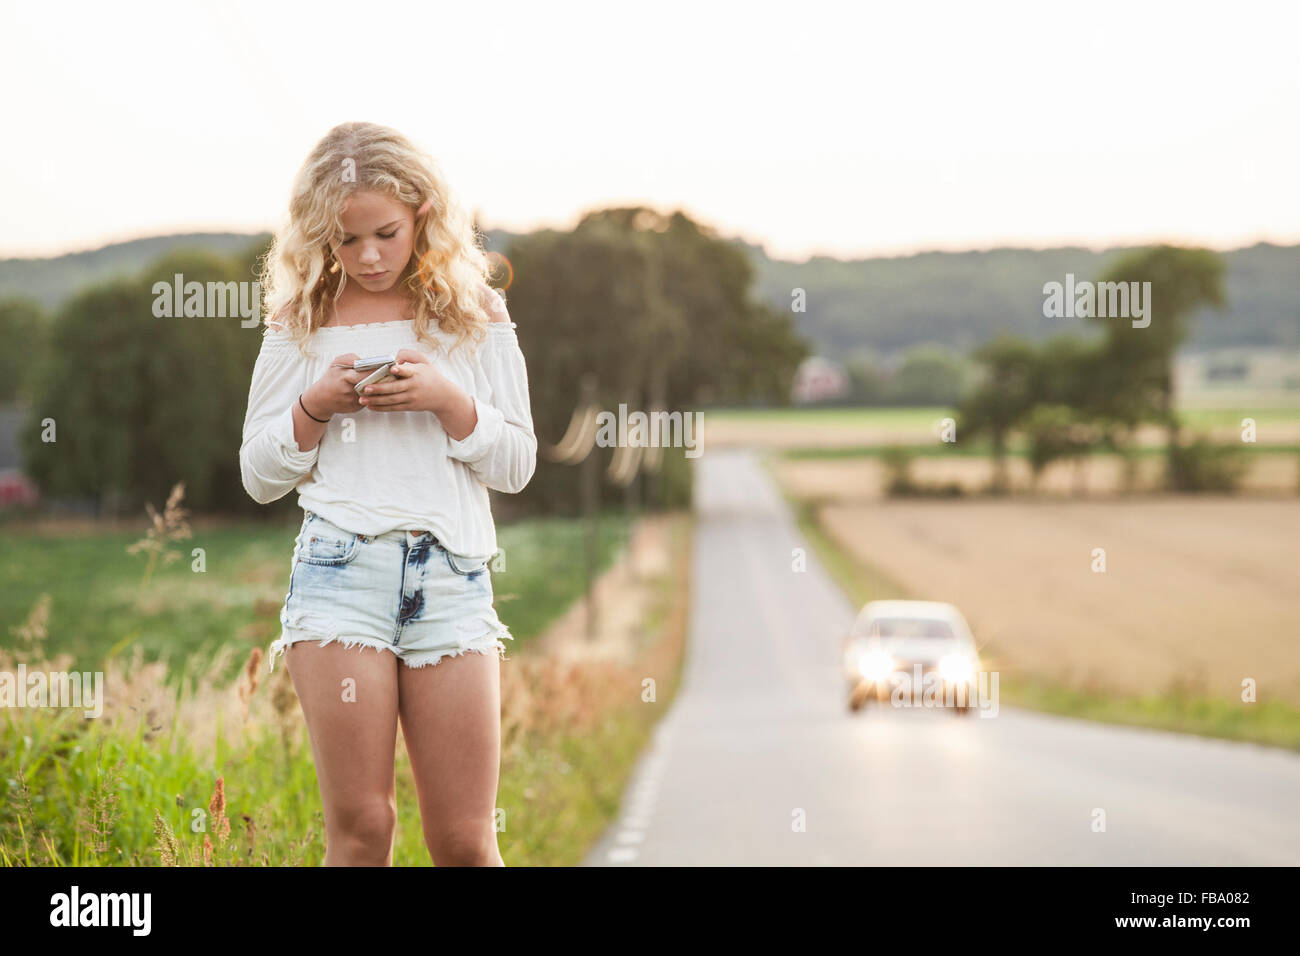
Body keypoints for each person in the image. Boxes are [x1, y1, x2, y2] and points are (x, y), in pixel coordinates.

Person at [239, 121, 537, 866]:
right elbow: (257, 474)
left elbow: (518, 463)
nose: (367, 256)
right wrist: (315, 407)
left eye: (386, 233)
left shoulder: (477, 317)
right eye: (346, 241)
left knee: (466, 841)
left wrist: (446, 399)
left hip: (453, 581)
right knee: (364, 832)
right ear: (320, 239)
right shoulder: (297, 324)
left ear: (425, 218)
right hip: (339, 579)